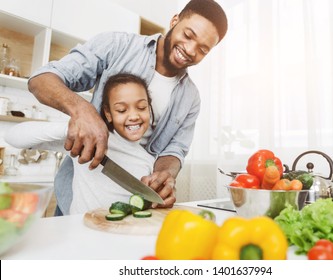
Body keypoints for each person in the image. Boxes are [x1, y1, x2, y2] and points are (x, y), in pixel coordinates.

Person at [27, 0, 228, 215]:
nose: (190, 50)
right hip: (80, 194)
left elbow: (175, 149)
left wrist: (164, 174)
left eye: (203, 49)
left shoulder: (191, 97)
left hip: (135, 203)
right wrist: (82, 110)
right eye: (188, 35)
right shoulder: (117, 46)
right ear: (174, 21)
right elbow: (40, 80)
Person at [5, 73, 156, 214]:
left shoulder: (149, 160)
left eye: (141, 107)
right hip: (80, 232)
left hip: (121, 236)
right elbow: (12, 136)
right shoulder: (87, 141)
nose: (134, 116)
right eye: (122, 110)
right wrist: (71, 130)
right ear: (108, 114)